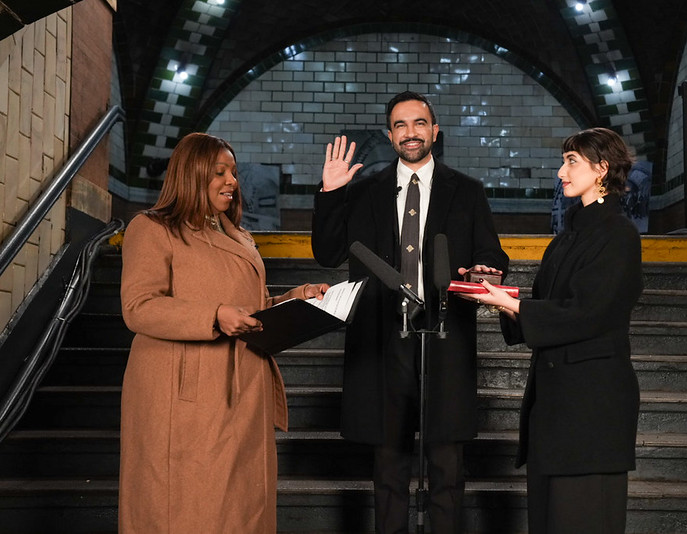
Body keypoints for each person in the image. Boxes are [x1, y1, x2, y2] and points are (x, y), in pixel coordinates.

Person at [312, 91, 509, 533]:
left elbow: (491, 252)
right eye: (400, 125)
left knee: (446, 465)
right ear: (390, 136)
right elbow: (327, 253)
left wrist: (485, 269)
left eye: (419, 123)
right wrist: (331, 192)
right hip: (382, 339)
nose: (410, 132)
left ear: (435, 131)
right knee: (388, 466)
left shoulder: (467, 191)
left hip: (445, 337)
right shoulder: (363, 191)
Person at [119, 132, 329, 533]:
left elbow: (252, 308)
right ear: (191, 173)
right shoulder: (152, 228)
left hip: (243, 388)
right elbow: (139, 307)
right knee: (185, 507)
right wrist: (214, 316)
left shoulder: (237, 235)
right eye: (219, 172)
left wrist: (298, 298)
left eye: (232, 171)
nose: (232, 180)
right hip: (185, 393)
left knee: (240, 506)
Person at [473, 127, 643, 533]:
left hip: (592, 412)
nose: (560, 172)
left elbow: (588, 313)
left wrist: (515, 305)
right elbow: (544, 309)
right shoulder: (565, 240)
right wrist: (495, 292)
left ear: (602, 169)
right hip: (553, 412)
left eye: (571, 162)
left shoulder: (619, 235)